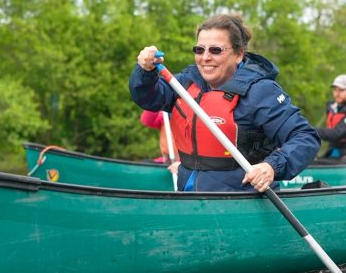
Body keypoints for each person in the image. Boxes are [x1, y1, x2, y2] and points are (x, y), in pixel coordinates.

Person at [130, 12, 321, 192]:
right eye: (199, 49)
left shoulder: (260, 92)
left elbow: (305, 137)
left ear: (239, 54)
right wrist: (145, 71)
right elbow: (148, 98)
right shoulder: (184, 83)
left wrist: (271, 166)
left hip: (241, 202)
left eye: (216, 50)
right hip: (190, 199)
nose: (205, 58)